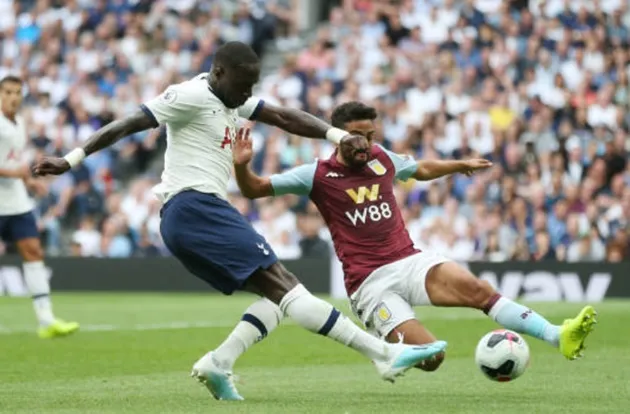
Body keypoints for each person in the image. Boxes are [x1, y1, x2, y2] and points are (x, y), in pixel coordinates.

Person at [33, 43, 446, 401]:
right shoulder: (187, 95)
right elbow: (127, 123)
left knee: (277, 296)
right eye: (243, 86)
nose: (248, 95)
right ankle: (384, 354)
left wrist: (338, 137)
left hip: (198, 213)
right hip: (193, 207)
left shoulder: (231, 97)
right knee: (289, 289)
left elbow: (285, 117)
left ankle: (218, 363)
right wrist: (70, 160)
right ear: (218, 73)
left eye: (252, 87)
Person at [227, 100, 597, 375]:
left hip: (410, 260)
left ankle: (557, 335)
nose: (367, 143)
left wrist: (458, 165)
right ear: (338, 135)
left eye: (372, 135)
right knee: (432, 360)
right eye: (359, 136)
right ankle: (385, 353)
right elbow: (256, 189)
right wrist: (242, 166)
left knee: (479, 290)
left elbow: (418, 168)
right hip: (370, 284)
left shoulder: (381, 158)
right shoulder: (317, 175)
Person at [0, 75, 79, 339]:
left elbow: (14, 162)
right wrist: (17, 173)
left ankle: (46, 321)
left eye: (17, 92)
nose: (13, 97)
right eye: (8, 92)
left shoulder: (20, 123)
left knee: (33, 251)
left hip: (17, 201)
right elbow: (11, 166)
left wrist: (30, 182)